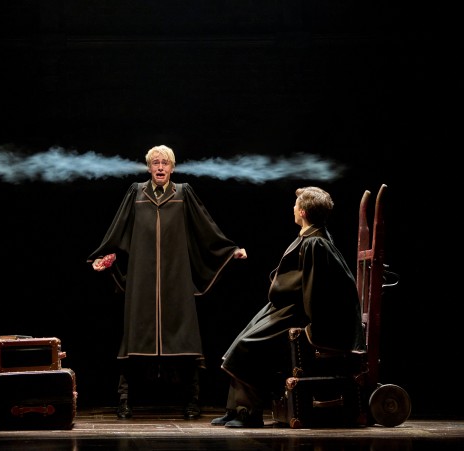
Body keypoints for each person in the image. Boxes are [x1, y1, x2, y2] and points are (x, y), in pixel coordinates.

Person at [88, 144, 247, 420]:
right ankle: (124, 400)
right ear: (148, 167)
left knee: (185, 340)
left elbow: (205, 227)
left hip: (176, 279)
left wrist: (228, 250)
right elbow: (119, 227)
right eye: (155, 163)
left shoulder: (183, 193)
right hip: (142, 281)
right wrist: (104, 254)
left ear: (172, 168)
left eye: (165, 163)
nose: (160, 167)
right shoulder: (136, 192)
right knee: (133, 340)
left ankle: (192, 401)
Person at [211, 186, 366, 428]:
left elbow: (315, 290)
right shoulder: (309, 236)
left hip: (298, 313)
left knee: (248, 346)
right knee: (242, 340)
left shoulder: (316, 242)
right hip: (285, 307)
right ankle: (235, 409)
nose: (293, 208)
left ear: (302, 212)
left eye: (296, 205)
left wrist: (312, 326)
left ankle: (248, 413)